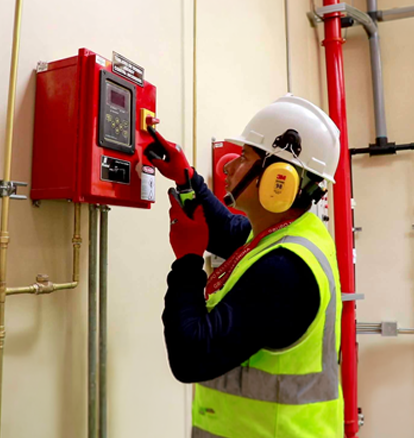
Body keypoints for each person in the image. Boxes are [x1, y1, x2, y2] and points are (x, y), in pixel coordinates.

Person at [147, 94, 343, 438]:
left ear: (279, 180)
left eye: (244, 158)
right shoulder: (288, 233)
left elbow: (190, 355)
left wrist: (188, 261)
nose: (228, 166)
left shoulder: (285, 270)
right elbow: (226, 230)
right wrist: (186, 178)